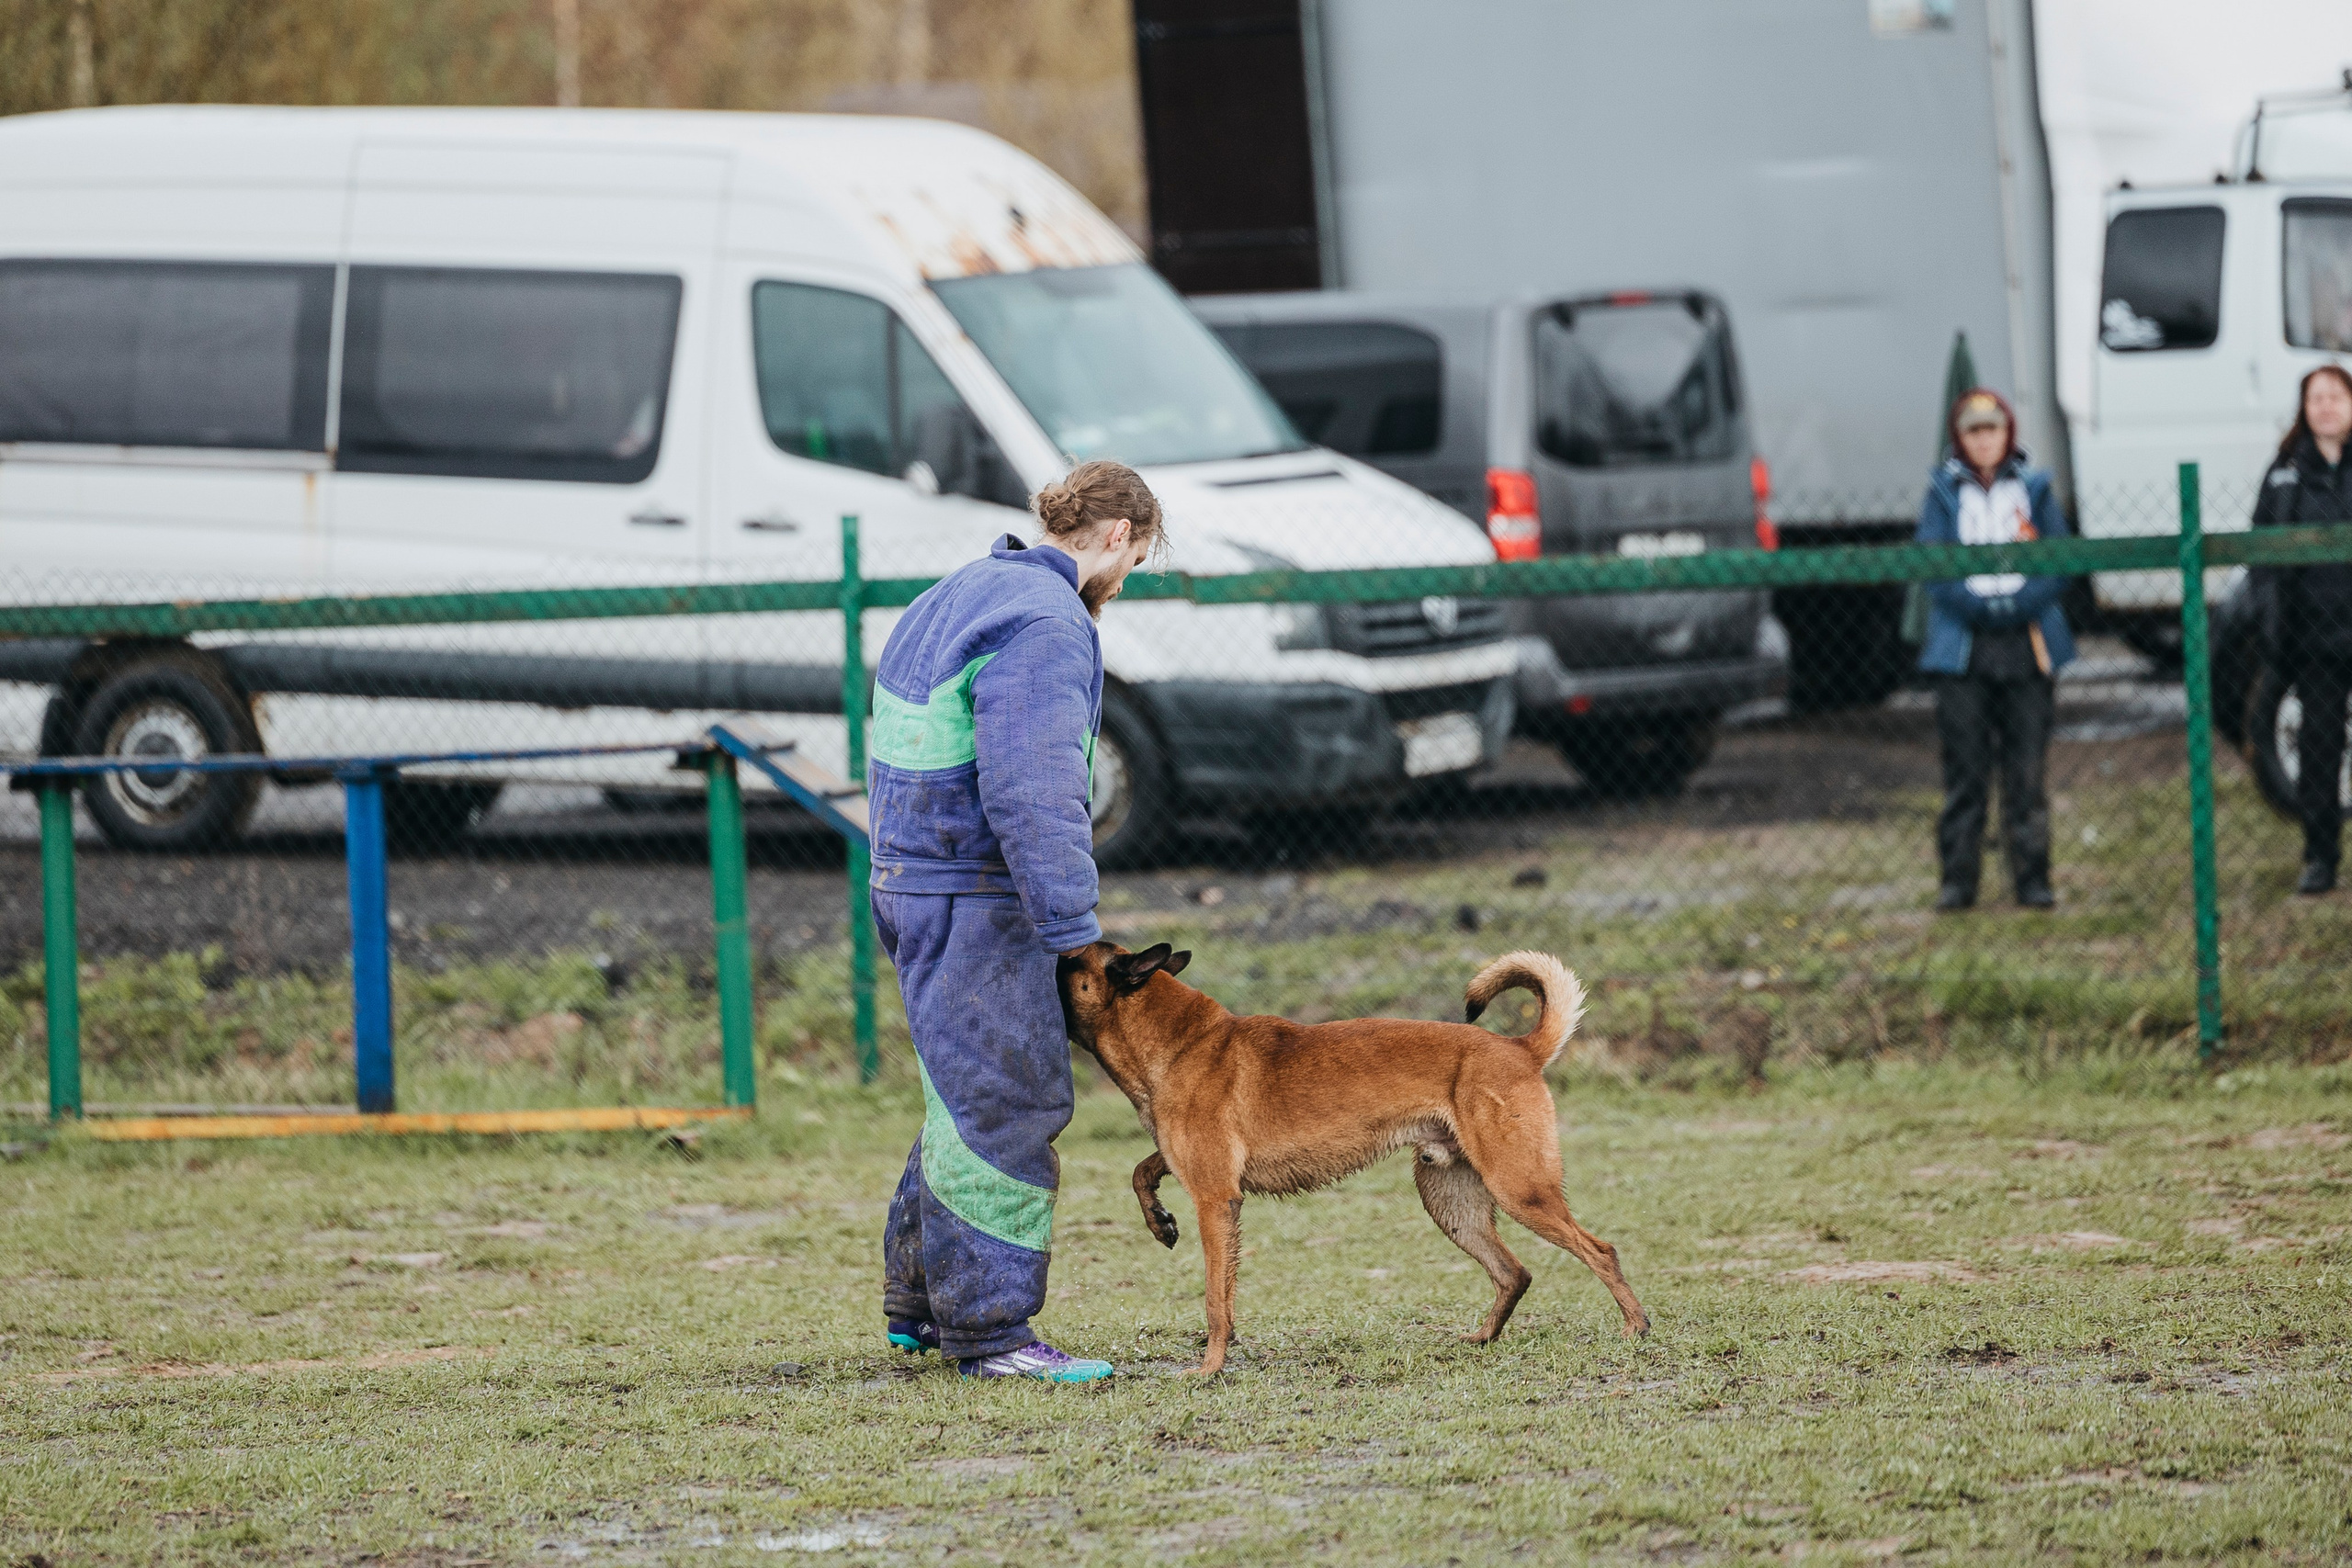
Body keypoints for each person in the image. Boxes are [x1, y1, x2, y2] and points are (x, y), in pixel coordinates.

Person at [865, 458, 1163, 1382]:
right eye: (1139, 559)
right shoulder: (1048, 622)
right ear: (1115, 535)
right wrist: (1072, 924)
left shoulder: (958, 594)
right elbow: (1033, 787)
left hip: (911, 876)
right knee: (1005, 1099)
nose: (1127, 581)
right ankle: (992, 1333)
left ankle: (920, 1304)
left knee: (962, 1094)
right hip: (974, 890)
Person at [1916, 388, 2076, 911]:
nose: (1984, 440)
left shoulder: (2036, 487)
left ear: (2008, 433)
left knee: (2026, 770)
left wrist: (2020, 603)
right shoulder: (1942, 492)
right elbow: (1935, 569)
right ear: (1959, 438)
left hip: (2027, 645)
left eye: (1993, 429)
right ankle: (1958, 882)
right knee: (1965, 771)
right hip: (1964, 648)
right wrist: (1978, 608)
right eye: (1973, 431)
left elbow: (2059, 559)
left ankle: (2032, 877)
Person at [2248, 364, 2352, 896]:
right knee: (2319, 750)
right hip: (2315, 643)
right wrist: (2273, 621)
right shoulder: (2285, 472)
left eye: (2336, 396)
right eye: (2317, 398)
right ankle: (2320, 857)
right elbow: (2260, 554)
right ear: (2304, 409)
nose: (2327, 406)